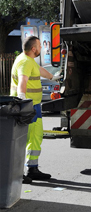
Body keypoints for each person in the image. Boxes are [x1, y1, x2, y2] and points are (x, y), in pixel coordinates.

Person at [10, 36, 62, 184]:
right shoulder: (25, 62)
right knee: (25, 139)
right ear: (34, 49)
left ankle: (32, 169)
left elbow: (39, 70)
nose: (41, 48)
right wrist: (21, 98)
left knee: (35, 137)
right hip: (27, 106)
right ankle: (19, 172)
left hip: (34, 106)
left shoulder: (28, 60)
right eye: (39, 46)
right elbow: (23, 81)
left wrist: (53, 77)